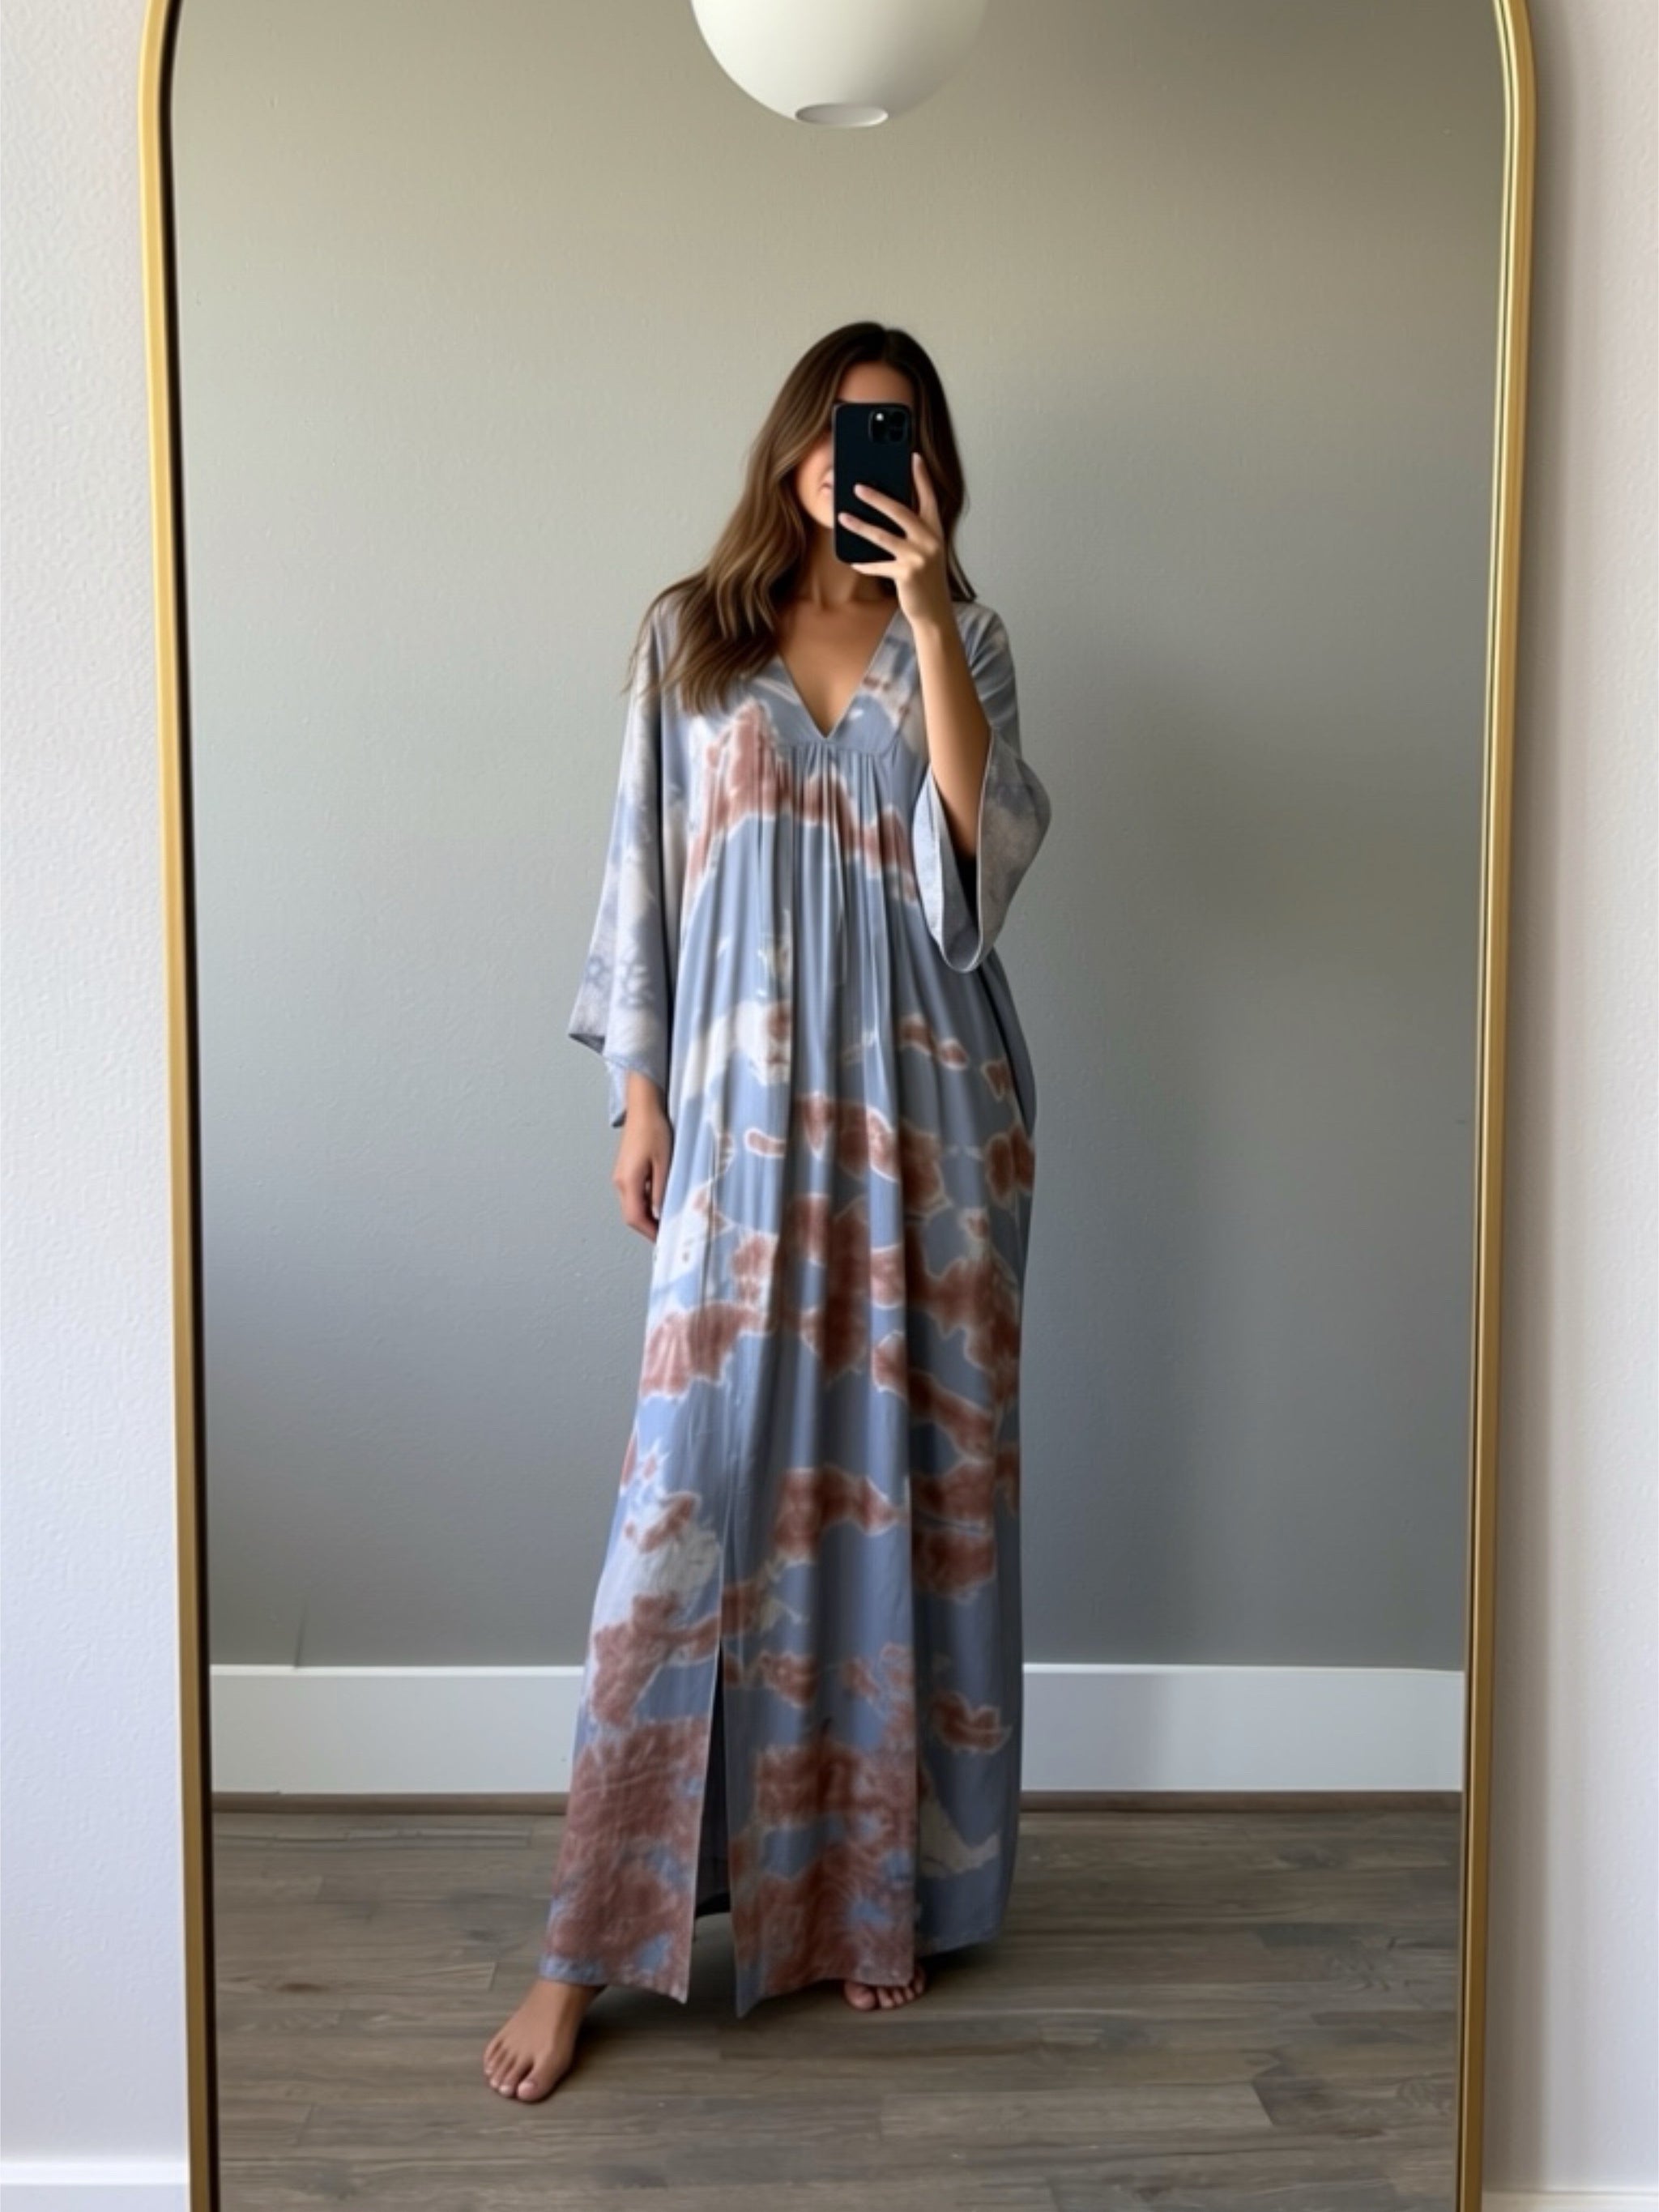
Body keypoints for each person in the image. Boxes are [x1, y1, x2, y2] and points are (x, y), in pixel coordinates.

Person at [485, 321, 1051, 2101]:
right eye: (835, 429)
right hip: (736, 1147)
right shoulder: (690, 636)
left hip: (928, 1142)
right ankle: (584, 1947)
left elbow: (982, 847)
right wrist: (637, 1096)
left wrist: (936, 606)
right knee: (682, 1518)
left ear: (928, 460)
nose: (856, 458)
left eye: (892, 434)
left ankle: (858, 1897)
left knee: (898, 1507)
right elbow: (637, 876)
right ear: (791, 443)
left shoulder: (961, 641)